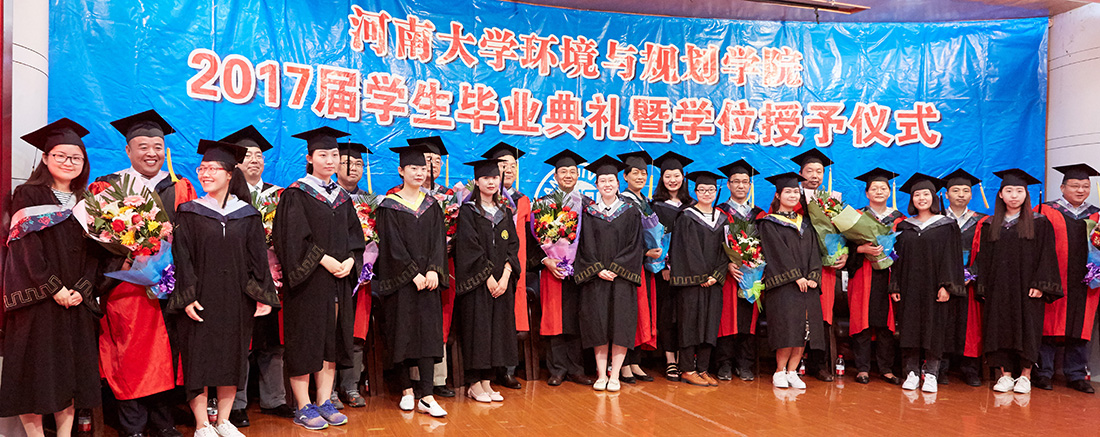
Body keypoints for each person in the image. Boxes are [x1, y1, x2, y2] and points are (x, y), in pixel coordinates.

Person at [169, 140, 280, 437]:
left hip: (236, 298)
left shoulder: (247, 214)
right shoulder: (189, 212)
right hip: (201, 298)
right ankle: (202, 424)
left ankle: (224, 421)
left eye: (213, 169)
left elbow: (258, 258)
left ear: (230, 174)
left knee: (233, 358)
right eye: (202, 169)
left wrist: (263, 296)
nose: (205, 174)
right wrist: (187, 296)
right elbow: (183, 258)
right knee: (198, 360)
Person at [1, 119, 103, 437]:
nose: (68, 162)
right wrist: (53, 287)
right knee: (33, 376)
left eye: (76, 157)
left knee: (69, 375)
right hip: (38, 302)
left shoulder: (88, 202)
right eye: (60, 155)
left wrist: (82, 289)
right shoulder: (28, 196)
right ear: (45, 158)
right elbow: (25, 248)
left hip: (75, 302)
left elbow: (97, 253)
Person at [97, 109, 195, 437]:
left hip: (168, 286)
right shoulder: (109, 187)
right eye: (143, 146)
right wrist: (124, 264)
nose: (151, 153)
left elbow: (191, 238)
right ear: (128, 150)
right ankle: (132, 424)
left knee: (167, 354)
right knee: (130, 354)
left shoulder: (180, 187)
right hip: (126, 286)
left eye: (157, 146)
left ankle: (163, 420)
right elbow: (98, 239)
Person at [272, 127, 363, 429]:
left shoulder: (342, 198)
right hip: (309, 282)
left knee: (331, 341)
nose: (330, 160)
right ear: (309, 158)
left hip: (338, 281)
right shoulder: (296, 194)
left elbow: (356, 238)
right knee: (305, 341)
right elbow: (291, 239)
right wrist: (323, 259)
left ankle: (324, 401)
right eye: (323, 155)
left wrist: (350, 261)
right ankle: (303, 405)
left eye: (334, 155)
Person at [221, 124, 292, 424]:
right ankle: (236, 403)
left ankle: (275, 399)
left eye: (259, 155)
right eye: (247, 155)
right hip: (240, 280)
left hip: (274, 279)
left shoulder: (280, 196)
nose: (254, 160)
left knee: (273, 341)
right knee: (242, 342)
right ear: (235, 163)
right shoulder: (225, 198)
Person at [374, 145, 449, 417]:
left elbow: (439, 242)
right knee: (402, 334)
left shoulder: (432, 206)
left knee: (428, 336)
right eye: (413, 168)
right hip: (401, 283)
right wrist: (411, 273)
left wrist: (433, 270)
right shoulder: (389, 206)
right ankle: (406, 390)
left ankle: (427, 395)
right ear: (401, 171)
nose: (419, 173)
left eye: (423, 169)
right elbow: (391, 245)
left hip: (428, 281)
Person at [972, 168, 1061, 393]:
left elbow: (1047, 255)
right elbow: (984, 259)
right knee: (999, 328)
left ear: (1026, 194)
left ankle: (1025, 375)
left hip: (1028, 287)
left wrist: (1040, 284)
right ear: (1000, 194)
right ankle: (1005, 375)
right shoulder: (990, 224)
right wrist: (984, 287)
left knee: (1028, 328)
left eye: (1019, 191)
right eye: (1009, 190)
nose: (1014, 195)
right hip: (999, 287)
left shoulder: (1040, 223)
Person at [890, 173, 965, 393]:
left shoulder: (947, 225)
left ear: (933, 197)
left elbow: (952, 258)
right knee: (910, 328)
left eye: (925, 194)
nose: (921, 198)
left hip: (935, 286)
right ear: (911, 199)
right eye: (917, 195)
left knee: (935, 329)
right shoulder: (905, 226)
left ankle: (931, 373)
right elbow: (896, 259)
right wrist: (895, 285)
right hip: (909, 286)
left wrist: (946, 285)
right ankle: (911, 373)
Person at [575, 156, 644, 392]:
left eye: (611, 180)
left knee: (620, 326)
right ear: (596, 184)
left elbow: (635, 245)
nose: (607, 184)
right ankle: (601, 373)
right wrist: (598, 269)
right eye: (602, 180)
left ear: (617, 183)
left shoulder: (631, 211)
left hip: (622, 279)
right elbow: (584, 246)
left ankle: (615, 376)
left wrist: (616, 268)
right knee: (599, 326)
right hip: (597, 279)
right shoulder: (589, 212)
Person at [453, 158, 520, 402]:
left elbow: (513, 246)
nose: (491, 182)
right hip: (478, 284)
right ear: (477, 182)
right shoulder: (468, 211)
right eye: (485, 178)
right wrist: (487, 277)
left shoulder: (505, 212)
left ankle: (487, 382)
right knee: (478, 331)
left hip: (502, 284)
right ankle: (474, 383)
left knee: (497, 331)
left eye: (494, 178)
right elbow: (469, 248)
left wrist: (506, 275)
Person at [531, 150, 596, 387]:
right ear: (555, 176)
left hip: (581, 271)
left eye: (572, 171)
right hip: (553, 270)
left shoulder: (588, 205)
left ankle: (577, 369)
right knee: (554, 320)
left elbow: (594, 238)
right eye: (563, 172)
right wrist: (546, 260)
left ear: (578, 175)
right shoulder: (543, 204)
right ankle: (557, 369)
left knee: (577, 320)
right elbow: (532, 240)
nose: (568, 175)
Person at [1034, 164, 1100, 393]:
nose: (1081, 190)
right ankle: (1043, 372)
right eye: (1075, 185)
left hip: (1085, 280)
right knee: (1048, 325)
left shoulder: (1097, 215)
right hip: (1053, 277)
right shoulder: (1044, 210)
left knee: (1081, 327)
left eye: (1085, 186)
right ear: (1062, 187)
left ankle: (1076, 374)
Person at [756, 172, 825, 390]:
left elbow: (815, 252)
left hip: (807, 287)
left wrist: (813, 276)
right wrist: (796, 276)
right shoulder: (768, 224)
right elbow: (777, 253)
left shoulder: (806, 223)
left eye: (796, 191)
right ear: (778, 195)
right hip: (784, 286)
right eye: (788, 192)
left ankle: (793, 371)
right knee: (787, 329)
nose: (793, 195)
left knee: (804, 329)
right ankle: (779, 371)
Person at [669, 170, 730, 387]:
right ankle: (687, 369)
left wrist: (717, 275)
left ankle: (703, 369)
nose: (706, 193)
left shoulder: (722, 219)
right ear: (695, 192)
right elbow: (685, 250)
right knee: (689, 324)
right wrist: (702, 275)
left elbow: (726, 251)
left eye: (711, 189)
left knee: (709, 325)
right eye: (702, 189)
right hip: (692, 282)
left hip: (713, 283)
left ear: (717, 192)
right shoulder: (686, 217)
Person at [791, 149, 846, 382]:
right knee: (796, 314)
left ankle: (819, 363)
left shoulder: (832, 200)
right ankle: (793, 364)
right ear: (800, 173)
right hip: (798, 266)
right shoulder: (791, 197)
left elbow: (843, 232)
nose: (815, 175)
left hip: (824, 267)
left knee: (822, 316)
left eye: (819, 171)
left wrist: (844, 253)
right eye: (810, 171)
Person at [408, 136, 456, 399]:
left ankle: (438, 378)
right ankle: (415, 379)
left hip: (442, 267)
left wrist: (448, 244)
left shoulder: (448, 196)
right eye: (427, 161)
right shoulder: (397, 196)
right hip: (411, 271)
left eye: (437, 161)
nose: (431, 166)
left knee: (440, 321)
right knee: (414, 321)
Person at [846, 168, 905, 386]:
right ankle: (862, 368)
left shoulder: (900, 219)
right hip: (863, 274)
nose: (879, 192)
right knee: (861, 321)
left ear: (890, 192)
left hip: (889, 275)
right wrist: (861, 249)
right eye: (874, 188)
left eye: (883, 188)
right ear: (866, 193)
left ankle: (886, 369)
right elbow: (842, 247)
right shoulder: (856, 217)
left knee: (886, 324)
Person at [482, 142, 531, 390]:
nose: (509, 170)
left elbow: (530, 237)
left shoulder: (522, 201)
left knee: (512, 317)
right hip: (488, 268)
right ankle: (487, 371)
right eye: (503, 165)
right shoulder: (480, 201)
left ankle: (509, 370)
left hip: (514, 266)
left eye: (513, 165)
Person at [714, 159, 764, 382]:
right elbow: (713, 244)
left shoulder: (759, 215)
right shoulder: (719, 212)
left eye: (745, 181)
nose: (741, 185)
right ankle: (724, 363)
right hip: (729, 275)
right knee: (726, 319)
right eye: (736, 181)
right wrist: (726, 264)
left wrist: (757, 265)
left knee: (748, 319)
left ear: (750, 185)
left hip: (752, 275)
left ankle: (745, 364)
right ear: (728, 184)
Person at [331, 141, 372, 410]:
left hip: (362, 276)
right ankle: (329, 390)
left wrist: (366, 264)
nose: (353, 168)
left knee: (356, 333)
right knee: (332, 331)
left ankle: (351, 385)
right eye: (347, 163)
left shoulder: (371, 201)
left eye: (358, 163)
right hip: (334, 272)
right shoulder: (325, 197)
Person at [616, 150, 661, 384]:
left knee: (641, 314)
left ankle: (635, 362)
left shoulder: (646, 202)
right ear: (625, 176)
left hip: (644, 268)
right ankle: (623, 365)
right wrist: (644, 252)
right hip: (627, 267)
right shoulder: (621, 202)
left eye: (644, 173)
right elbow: (620, 239)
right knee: (627, 315)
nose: (641, 177)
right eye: (635, 172)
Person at [650, 151, 695, 382]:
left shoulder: (693, 206)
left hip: (690, 272)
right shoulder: (655, 206)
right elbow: (656, 238)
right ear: (662, 179)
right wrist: (665, 265)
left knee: (687, 316)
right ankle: (670, 360)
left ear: (683, 177)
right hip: (666, 272)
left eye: (676, 175)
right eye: (667, 176)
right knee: (667, 315)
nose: (672, 180)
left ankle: (686, 359)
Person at [941, 169, 987, 387]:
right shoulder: (936, 219)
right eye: (956, 190)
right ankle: (941, 367)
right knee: (943, 322)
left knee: (971, 325)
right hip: (942, 281)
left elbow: (986, 252)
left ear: (971, 194)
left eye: (966, 190)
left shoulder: (981, 221)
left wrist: (972, 273)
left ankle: (970, 369)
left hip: (970, 281)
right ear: (946, 194)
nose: (961, 194)